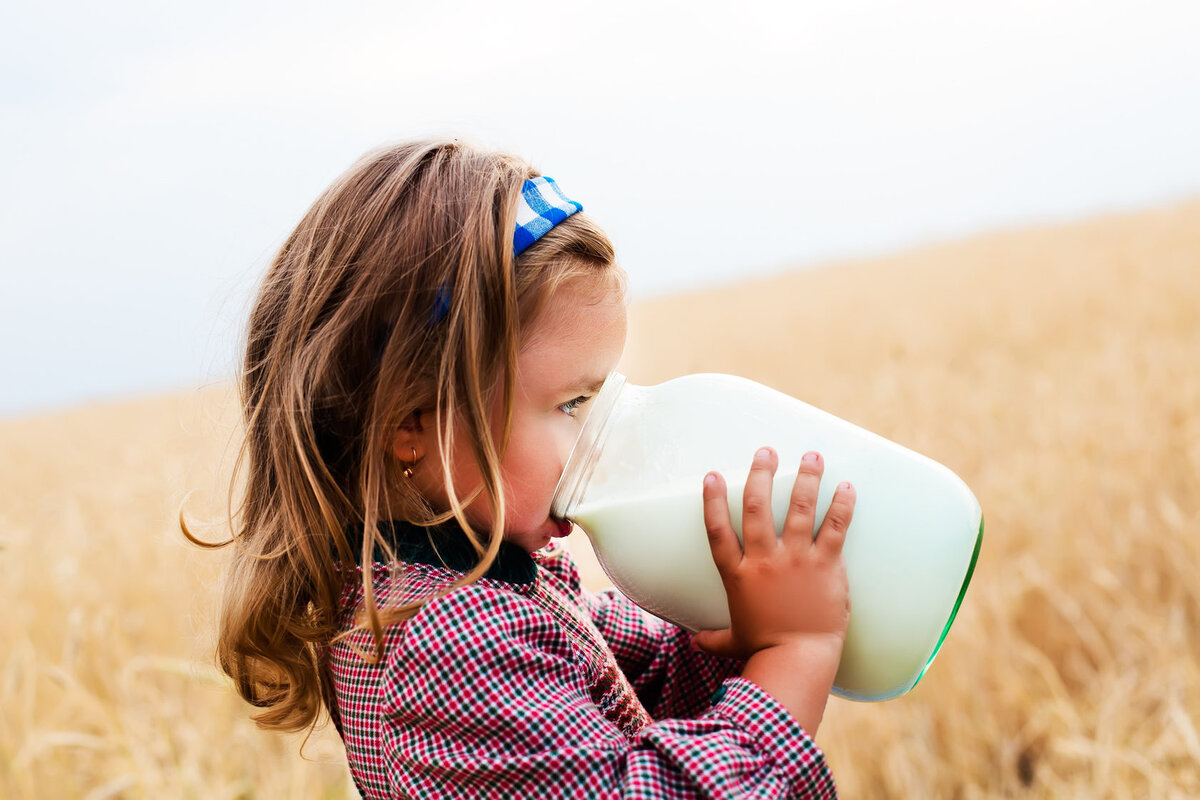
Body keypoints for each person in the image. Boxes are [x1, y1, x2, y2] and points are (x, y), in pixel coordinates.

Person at [190, 138, 857, 798]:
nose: (596, 436)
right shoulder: (452, 643)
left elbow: (641, 681)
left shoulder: (483, 584)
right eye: (571, 403)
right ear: (409, 422)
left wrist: (733, 636)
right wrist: (795, 648)